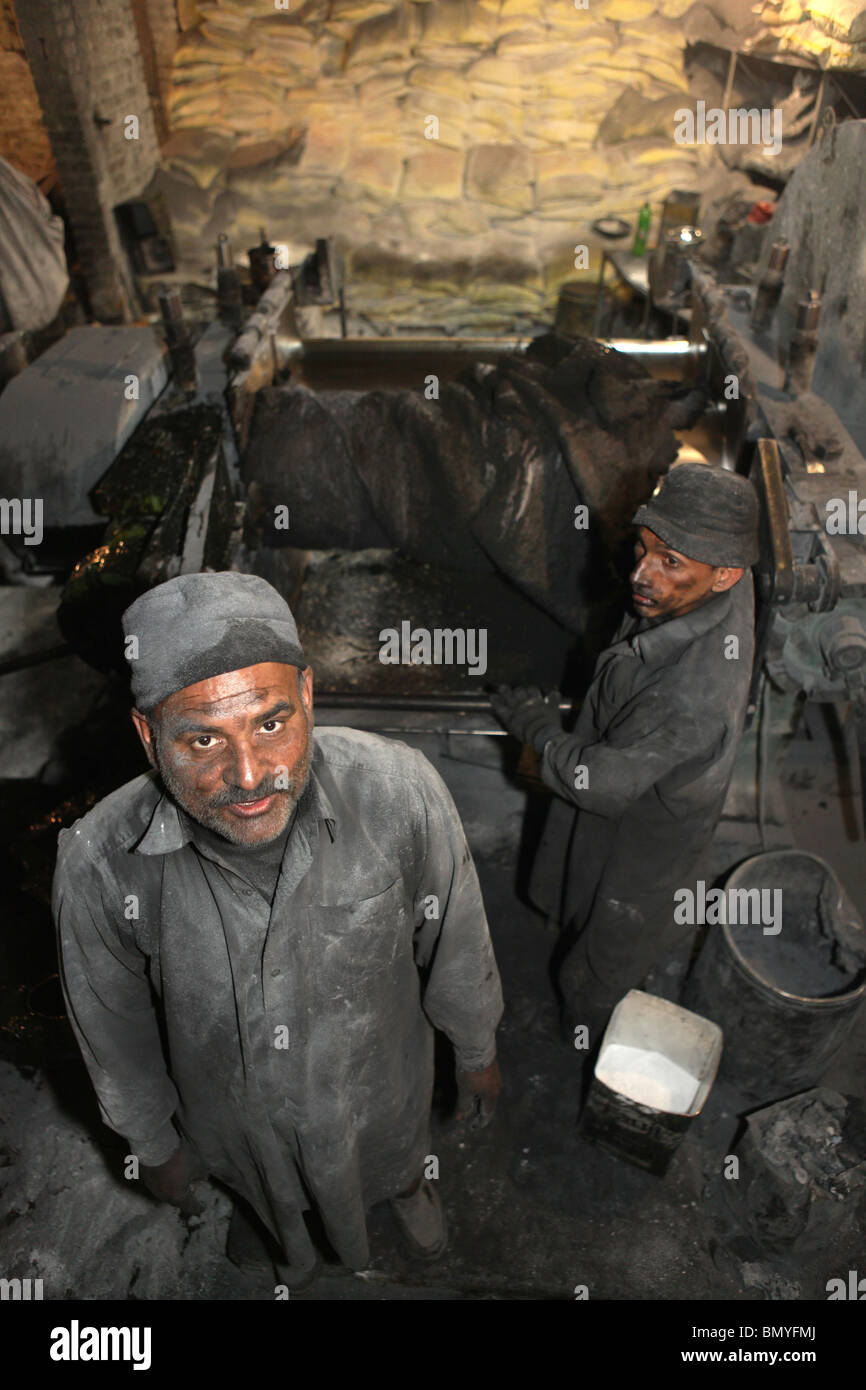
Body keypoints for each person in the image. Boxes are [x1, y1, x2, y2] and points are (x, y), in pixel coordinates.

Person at [53, 572, 503, 1291]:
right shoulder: (100, 862)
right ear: (148, 735)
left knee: (394, 1159)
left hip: (379, 1084)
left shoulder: (398, 790)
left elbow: (457, 938)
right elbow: (114, 1033)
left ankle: (410, 1193)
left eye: (271, 722)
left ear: (308, 698)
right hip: (236, 1116)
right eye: (202, 739)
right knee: (272, 1207)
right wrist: (153, 1143)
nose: (251, 773)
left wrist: (476, 1047)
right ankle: (290, 1253)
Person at [491, 462, 759, 1037]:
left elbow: (605, 787)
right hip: (638, 781)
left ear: (726, 575)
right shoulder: (717, 575)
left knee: (605, 955)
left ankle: (585, 1037)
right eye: (643, 548)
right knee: (578, 891)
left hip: (646, 837)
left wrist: (538, 729)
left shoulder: (692, 696)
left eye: (669, 563)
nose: (641, 574)